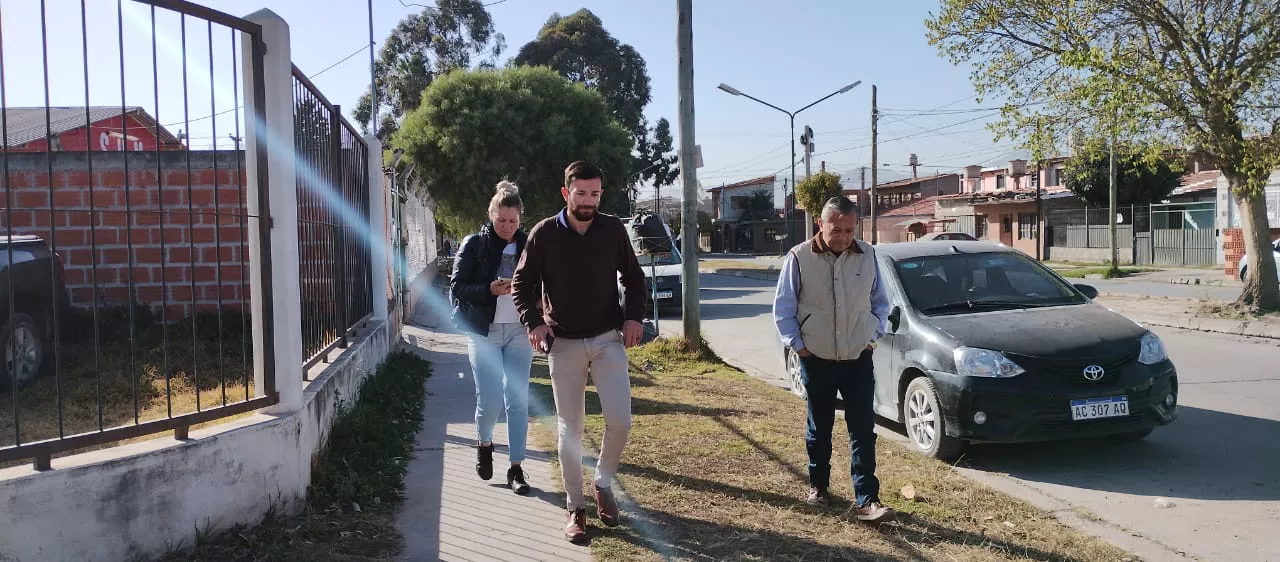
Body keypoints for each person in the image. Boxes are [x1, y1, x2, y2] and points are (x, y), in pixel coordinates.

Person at [511, 161, 647, 543]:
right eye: (581, 193)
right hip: (564, 343)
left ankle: (602, 482)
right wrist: (534, 323)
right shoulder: (544, 233)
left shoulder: (612, 229)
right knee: (570, 429)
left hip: (607, 339)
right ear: (566, 192)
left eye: (595, 194)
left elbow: (634, 279)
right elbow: (521, 284)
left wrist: (633, 317)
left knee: (621, 420)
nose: (588, 201)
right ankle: (576, 508)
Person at [772, 195, 895, 523]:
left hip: (857, 358)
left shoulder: (868, 255)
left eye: (849, 230)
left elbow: (881, 303)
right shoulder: (799, 257)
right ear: (820, 224)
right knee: (819, 427)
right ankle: (819, 487)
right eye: (836, 229)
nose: (843, 237)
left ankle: (867, 498)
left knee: (863, 428)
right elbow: (783, 309)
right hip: (817, 358)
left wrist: (871, 338)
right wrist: (800, 347)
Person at [450, 181, 533, 495]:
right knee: (490, 401)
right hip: (484, 333)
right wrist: (489, 290)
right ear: (491, 215)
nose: (507, 226)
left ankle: (516, 468)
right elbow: (457, 287)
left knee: (518, 401)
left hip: (519, 331)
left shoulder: (529, 245)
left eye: (513, 221)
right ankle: (484, 444)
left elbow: (544, 283)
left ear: (520, 218)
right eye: (502, 220)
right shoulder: (474, 244)